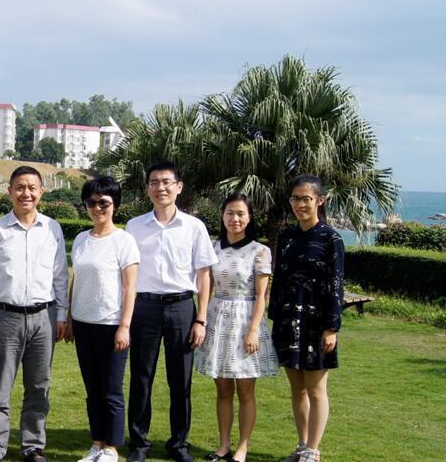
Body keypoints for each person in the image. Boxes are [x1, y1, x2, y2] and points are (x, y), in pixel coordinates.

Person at [0, 166, 69, 462]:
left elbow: (60, 276)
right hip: (5, 317)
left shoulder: (52, 229)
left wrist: (62, 315)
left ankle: (33, 446)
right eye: (20, 187)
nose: (26, 193)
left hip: (44, 317)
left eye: (32, 187)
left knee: (39, 386)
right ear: (10, 191)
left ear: (41, 191)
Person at [125, 161, 218, 462]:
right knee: (141, 378)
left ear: (179, 187)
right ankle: (139, 443)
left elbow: (204, 275)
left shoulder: (194, 227)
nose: (160, 188)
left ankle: (179, 444)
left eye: (166, 182)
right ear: (147, 188)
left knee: (181, 380)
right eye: (154, 182)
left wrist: (201, 318)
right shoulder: (134, 227)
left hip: (182, 308)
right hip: (145, 307)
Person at [193, 194, 279, 462]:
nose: (235, 219)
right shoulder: (212, 248)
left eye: (241, 213)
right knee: (222, 389)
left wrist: (253, 330)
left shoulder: (259, 251)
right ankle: (223, 445)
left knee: (245, 390)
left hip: (245, 322)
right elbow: (206, 287)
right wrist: (202, 319)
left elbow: (261, 296)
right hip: (218, 319)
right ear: (222, 215)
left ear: (249, 217)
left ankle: (242, 447)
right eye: (230, 213)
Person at [268, 175, 344, 462]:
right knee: (297, 388)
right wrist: (274, 317)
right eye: (295, 199)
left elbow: (336, 284)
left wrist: (331, 327)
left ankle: (313, 450)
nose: (300, 204)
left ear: (320, 201)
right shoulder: (287, 236)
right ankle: (302, 445)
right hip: (288, 321)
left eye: (306, 199)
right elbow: (279, 279)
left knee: (316, 389)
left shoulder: (331, 239)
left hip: (317, 324)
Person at [65, 177, 139, 462]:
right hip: (83, 323)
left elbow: (130, 287)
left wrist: (124, 326)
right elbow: (77, 280)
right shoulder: (82, 239)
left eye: (104, 203)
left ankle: (112, 448)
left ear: (114, 205)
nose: (97, 208)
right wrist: (70, 318)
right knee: (92, 389)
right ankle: (96, 444)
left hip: (111, 324)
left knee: (111, 389)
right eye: (91, 202)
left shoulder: (124, 241)